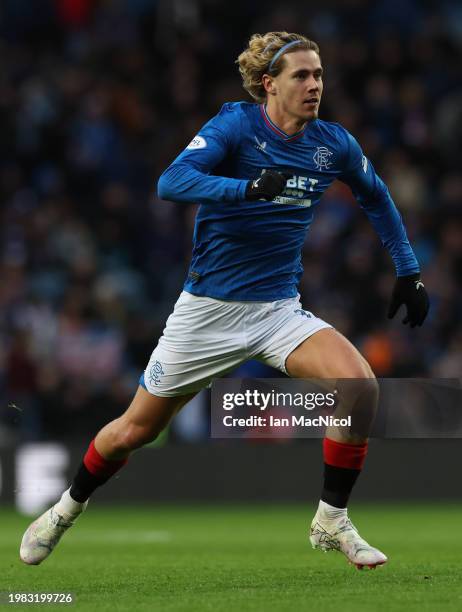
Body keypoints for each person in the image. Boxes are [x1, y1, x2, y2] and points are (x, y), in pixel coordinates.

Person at [20, 31, 429, 570]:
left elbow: (375, 196)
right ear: (269, 85)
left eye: (319, 75)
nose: (314, 85)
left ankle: (331, 520)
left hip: (277, 310)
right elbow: (171, 181)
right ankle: (66, 509)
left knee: (358, 387)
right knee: (135, 431)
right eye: (301, 76)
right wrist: (244, 189)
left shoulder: (334, 144)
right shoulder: (235, 126)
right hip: (206, 312)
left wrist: (408, 270)